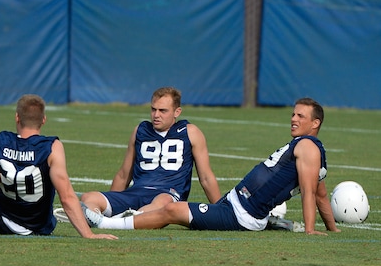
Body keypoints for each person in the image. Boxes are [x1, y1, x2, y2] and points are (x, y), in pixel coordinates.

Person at [83, 98, 341, 235]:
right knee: (174, 209)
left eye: (300, 116)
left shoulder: (307, 146)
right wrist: (333, 227)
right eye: (293, 114)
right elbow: (320, 194)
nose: (293, 119)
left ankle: (107, 225)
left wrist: (310, 231)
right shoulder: (309, 150)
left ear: (315, 123)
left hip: (241, 215)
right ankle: (271, 222)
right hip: (235, 205)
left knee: (172, 210)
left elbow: (310, 192)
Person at [0, 94, 117, 240]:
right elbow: (66, 197)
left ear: (17, 117)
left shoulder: (0, 141)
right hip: (38, 227)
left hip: (1, 223)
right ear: (43, 120)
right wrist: (88, 235)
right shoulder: (52, 147)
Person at [78, 87, 220, 228]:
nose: (156, 115)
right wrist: (113, 202)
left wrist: (221, 212)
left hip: (168, 194)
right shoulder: (140, 130)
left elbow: (206, 177)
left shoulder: (190, 132)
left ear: (177, 112)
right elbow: (123, 175)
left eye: (163, 111)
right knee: (88, 198)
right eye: (153, 109)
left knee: (163, 202)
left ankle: (122, 220)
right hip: (137, 192)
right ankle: (106, 218)